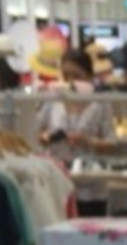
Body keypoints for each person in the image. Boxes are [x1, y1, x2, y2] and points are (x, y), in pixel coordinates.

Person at [37, 50, 117, 215]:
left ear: (89, 76)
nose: (71, 81)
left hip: (91, 185)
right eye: (66, 76)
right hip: (58, 182)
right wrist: (48, 137)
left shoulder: (100, 104)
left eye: (76, 76)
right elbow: (37, 133)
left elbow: (111, 142)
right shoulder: (53, 100)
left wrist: (87, 141)